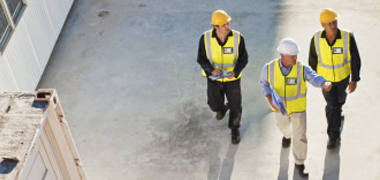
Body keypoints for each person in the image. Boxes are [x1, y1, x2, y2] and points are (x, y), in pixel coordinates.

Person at [259, 38, 332, 178]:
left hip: (298, 109)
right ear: (282, 55)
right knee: (285, 129)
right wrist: (269, 99)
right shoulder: (269, 68)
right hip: (279, 109)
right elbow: (264, 84)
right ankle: (286, 136)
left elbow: (314, 77)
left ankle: (299, 162)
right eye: (292, 55)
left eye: (296, 54)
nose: (295, 58)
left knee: (300, 136)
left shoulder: (301, 68)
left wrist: (323, 83)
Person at [308, 8, 361, 149]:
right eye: (329, 23)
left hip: (343, 77)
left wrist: (354, 79)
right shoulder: (316, 39)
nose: (333, 25)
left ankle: (339, 111)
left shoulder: (347, 37)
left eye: (334, 22)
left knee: (340, 100)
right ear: (322, 25)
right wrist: (318, 78)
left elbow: (355, 59)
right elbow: (312, 60)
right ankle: (333, 136)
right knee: (332, 106)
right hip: (326, 81)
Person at [197, 9, 248, 144]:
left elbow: (243, 59)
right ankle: (221, 108)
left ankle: (234, 128)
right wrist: (211, 70)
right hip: (214, 79)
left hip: (232, 79)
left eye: (228, 23)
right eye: (224, 25)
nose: (228, 27)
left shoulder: (238, 38)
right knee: (213, 104)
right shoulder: (205, 38)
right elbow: (201, 59)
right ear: (215, 27)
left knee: (235, 105)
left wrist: (235, 72)